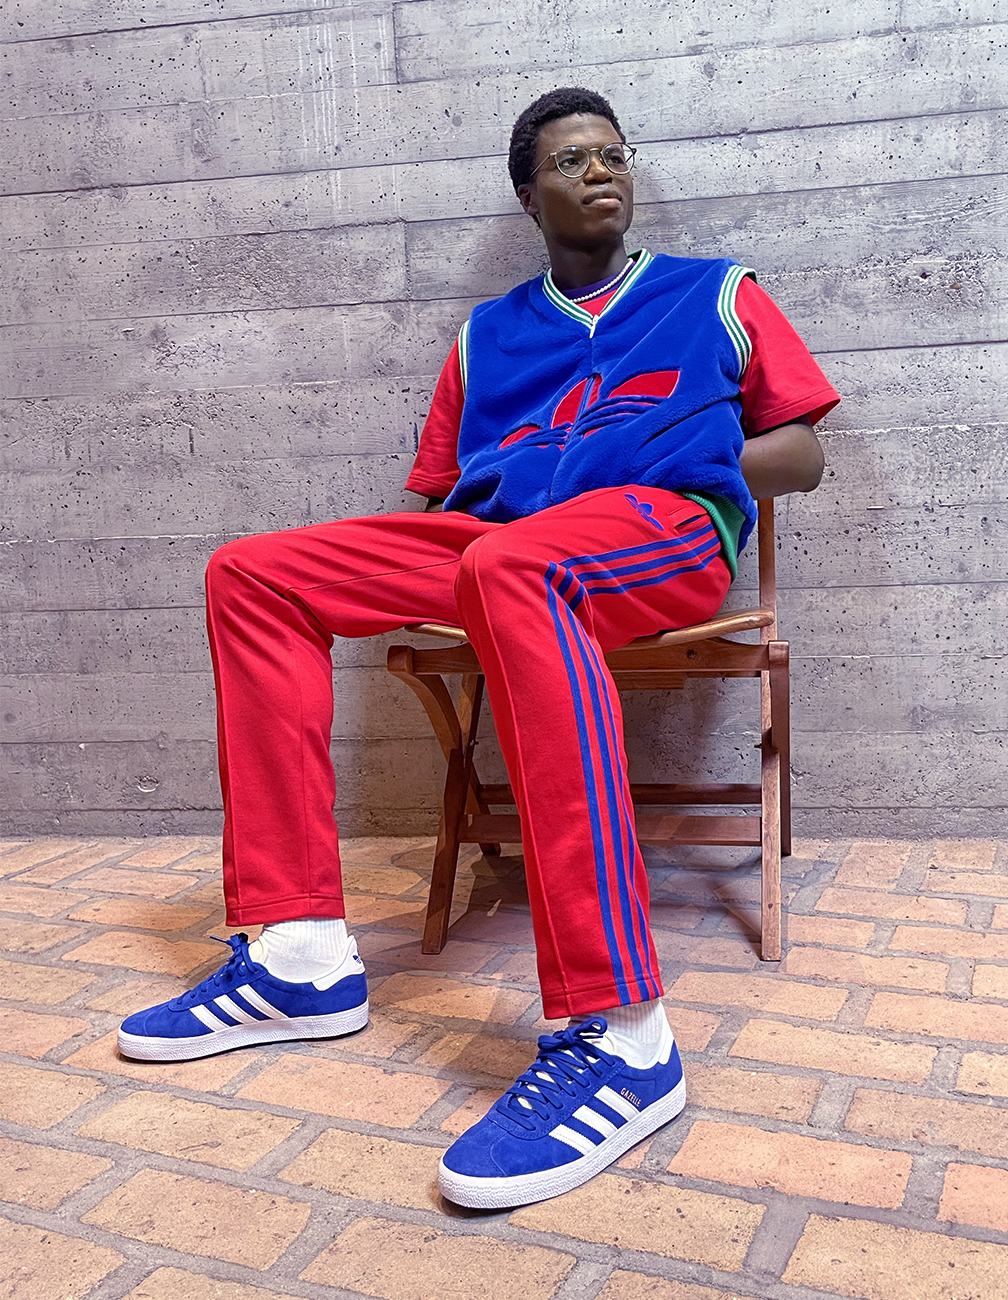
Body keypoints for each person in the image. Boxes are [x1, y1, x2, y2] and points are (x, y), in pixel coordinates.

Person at [118, 88, 837, 1209]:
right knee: (252, 572)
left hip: (662, 531)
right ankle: (298, 957)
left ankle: (624, 1035)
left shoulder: (719, 292)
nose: (601, 171)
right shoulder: (486, 335)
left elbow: (798, 452)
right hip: (500, 544)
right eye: (572, 160)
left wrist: (689, 469)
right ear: (529, 194)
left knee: (519, 568)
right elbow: (431, 498)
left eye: (614, 155)